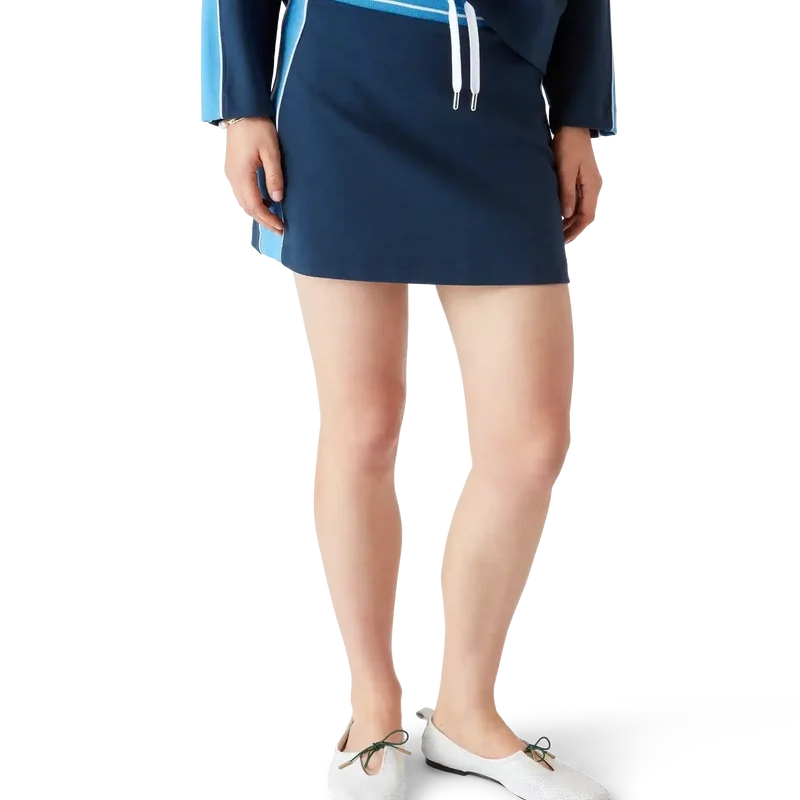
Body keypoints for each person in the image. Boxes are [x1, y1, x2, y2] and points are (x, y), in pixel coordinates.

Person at [200, 2, 619, 799]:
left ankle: (465, 714)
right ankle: (370, 710)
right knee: (362, 421)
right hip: (346, 77)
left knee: (531, 440)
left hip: (502, 89)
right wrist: (242, 106)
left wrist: (580, 115)